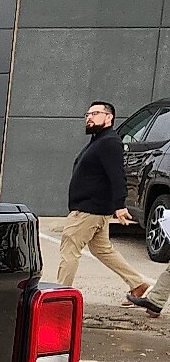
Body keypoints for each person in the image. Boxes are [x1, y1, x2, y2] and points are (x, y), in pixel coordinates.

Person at [57, 100, 150, 303]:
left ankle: (60, 298)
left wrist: (120, 205)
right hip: (94, 208)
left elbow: (116, 174)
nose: (89, 117)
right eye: (88, 114)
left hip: (88, 209)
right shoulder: (100, 140)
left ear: (109, 118)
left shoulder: (109, 142)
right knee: (102, 249)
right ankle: (137, 284)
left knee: (69, 248)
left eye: (95, 113)